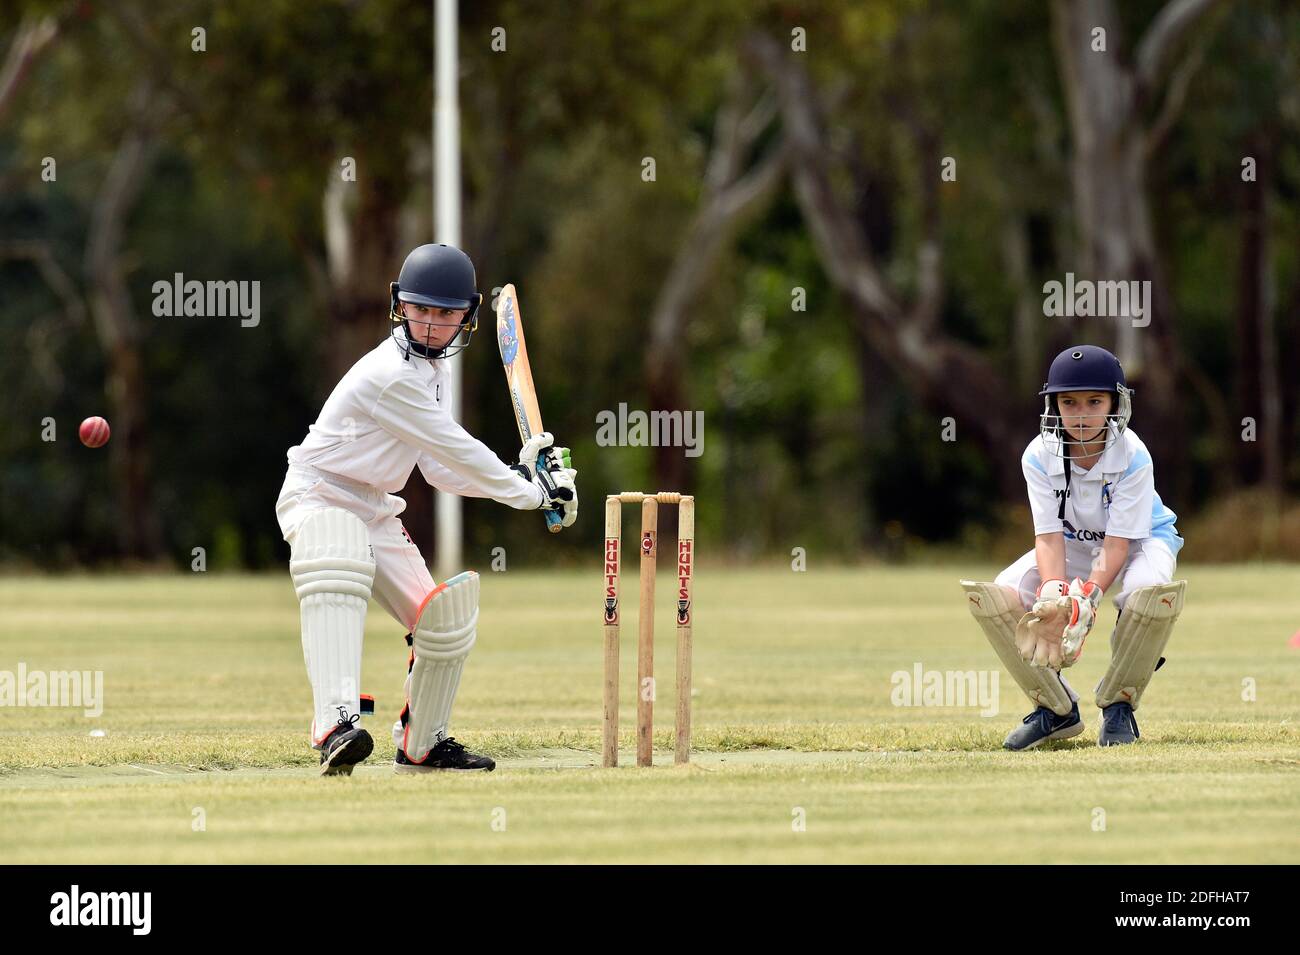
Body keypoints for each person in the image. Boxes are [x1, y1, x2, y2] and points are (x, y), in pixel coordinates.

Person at [274, 243, 576, 775]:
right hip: (318, 492)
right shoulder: (388, 374)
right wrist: (526, 490)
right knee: (338, 551)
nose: (432, 325)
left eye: (445, 313)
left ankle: (423, 744)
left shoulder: (434, 374)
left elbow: (439, 469)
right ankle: (335, 726)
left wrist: (527, 481)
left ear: (468, 316)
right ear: (400, 305)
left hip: (374, 505)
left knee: (444, 621)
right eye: (421, 309)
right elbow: (455, 446)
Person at [964, 345, 1184, 750]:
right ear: (1054, 404)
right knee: (995, 597)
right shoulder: (1037, 454)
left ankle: (1119, 707)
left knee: (1148, 597)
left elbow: (1117, 544)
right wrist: (1054, 592)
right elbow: (1048, 536)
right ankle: (1054, 709)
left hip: (1140, 541)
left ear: (1115, 403)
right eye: (1069, 402)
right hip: (1072, 544)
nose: (1081, 414)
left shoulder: (1134, 455)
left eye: (1094, 401)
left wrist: (1088, 598)